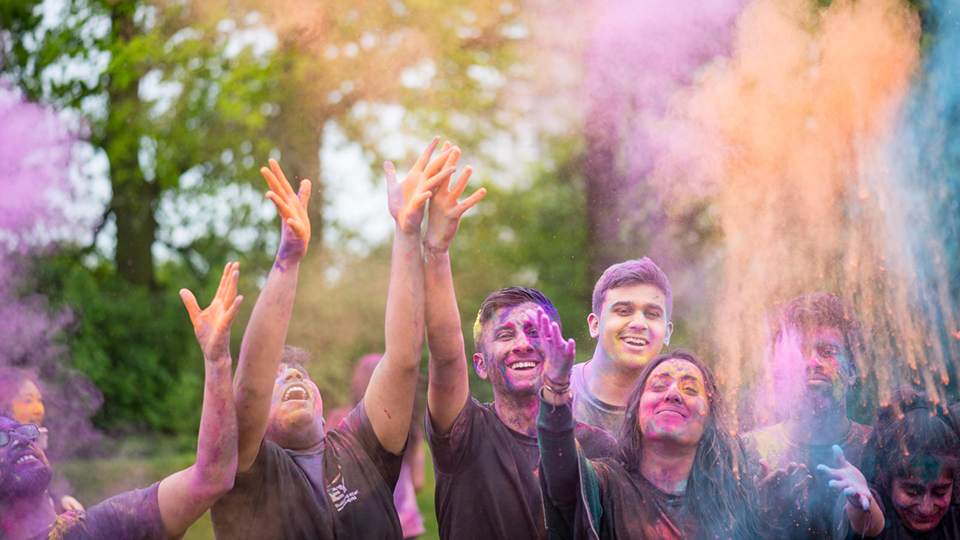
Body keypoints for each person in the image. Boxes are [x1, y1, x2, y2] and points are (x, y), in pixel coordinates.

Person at [210, 141, 454, 539]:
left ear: (324, 413)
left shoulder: (361, 451)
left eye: (300, 374)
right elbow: (249, 387)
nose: (292, 377)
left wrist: (407, 231)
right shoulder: (244, 474)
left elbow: (403, 359)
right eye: (277, 378)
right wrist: (288, 260)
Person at [421, 145, 618, 539]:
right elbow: (444, 355)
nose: (522, 344)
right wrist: (436, 251)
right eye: (505, 335)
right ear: (480, 364)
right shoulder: (465, 433)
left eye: (534, 331)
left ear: (558, 347)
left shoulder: (599, 447)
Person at [0, 261, 243, 539]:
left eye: (27, 433)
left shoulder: (94, 528)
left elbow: (213, 477)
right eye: (3, 437)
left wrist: (217, 362)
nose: (21, 438)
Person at [534, 305, 762, 539]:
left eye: (690, 388)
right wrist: (557, 391)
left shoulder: (730, 503)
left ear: (710, 417)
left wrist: (768, 515)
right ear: (636, 410)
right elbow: (561, 472)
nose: (673, 394)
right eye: (659, 386)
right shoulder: (607, 485)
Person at [742, 292, 873, 539]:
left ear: (852, 371)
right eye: (799, 353)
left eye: (827, 351)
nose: (812, 362)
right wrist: (756, 516)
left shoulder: (876, 445)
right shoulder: (750, 450)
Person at [821, 390, 960, 539]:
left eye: (940, 492)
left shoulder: (954, 512)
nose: (925, 508)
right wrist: (859, 506)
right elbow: (870, 522)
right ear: (885, 478)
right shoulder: (870, 499)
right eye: (912, 492)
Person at [324, 353, 427, 540]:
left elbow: (325, 474)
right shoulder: (408, 426)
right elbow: (418, 481)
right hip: (404, 522)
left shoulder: (338, 420)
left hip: (356, 523)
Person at [570, 258, 674, 434]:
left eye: (652, 314)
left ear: (667, 333)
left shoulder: (677, 409)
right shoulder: (550, 394)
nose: (638, 323)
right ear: (595, 325)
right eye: (623, 311)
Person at [0, 368, 82, 513]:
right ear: (4, 405)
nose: (38, 409)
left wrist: (59, 502)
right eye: (28, 400)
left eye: (39, 400)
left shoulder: (32, 447)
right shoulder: (6, 455)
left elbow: (40, 494)